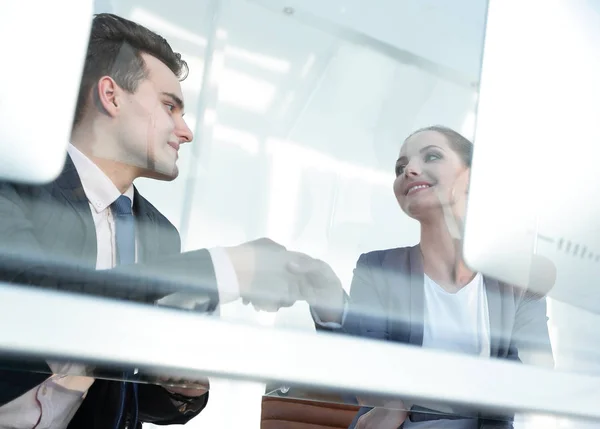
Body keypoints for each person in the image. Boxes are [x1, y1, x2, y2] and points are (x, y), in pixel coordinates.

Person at [0, 13, 345, 429]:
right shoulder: (15, 183)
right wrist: (229, 268)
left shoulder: (159, 233)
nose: (185, 131)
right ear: (111, 95)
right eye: (170, 107)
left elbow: (128, 393)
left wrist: (181, 387)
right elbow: (41, 303)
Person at [321, 126, 554, 429]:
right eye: (400, 167)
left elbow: (537, 382)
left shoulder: (514, 280)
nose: (409, 171)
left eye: (431, 156)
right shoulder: (378, 268)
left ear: (471, 176)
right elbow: (364, 380)